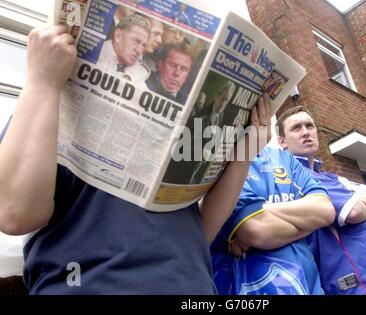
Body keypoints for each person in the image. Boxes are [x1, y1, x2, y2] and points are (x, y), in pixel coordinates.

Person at [0, 25, 271, 294]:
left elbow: (201, 234)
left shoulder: (178, 121)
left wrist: (244, 154)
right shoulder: (47, 101)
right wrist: (41, 81)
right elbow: (14, 214)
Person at [276, 106, 366, 295]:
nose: (306, 132)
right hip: (359, 287)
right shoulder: (297, 177)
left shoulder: (330, 178)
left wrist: (349, 191)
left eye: (309, 126)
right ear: (282, 142)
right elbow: (355, 211)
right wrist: (353, 191)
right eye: (296, 128)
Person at [211, 141, 336, 295]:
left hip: (311, 286)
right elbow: (257, 231)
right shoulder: (222, 158)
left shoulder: (285, 158)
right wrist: (308, 224)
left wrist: (262, 210)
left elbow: (325, 210)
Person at [97, 13, 150, 83]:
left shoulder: (142, 74)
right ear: (118, 36)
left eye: (143, 45)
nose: (139, 51)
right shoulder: (94, 54)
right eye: (136, 41)